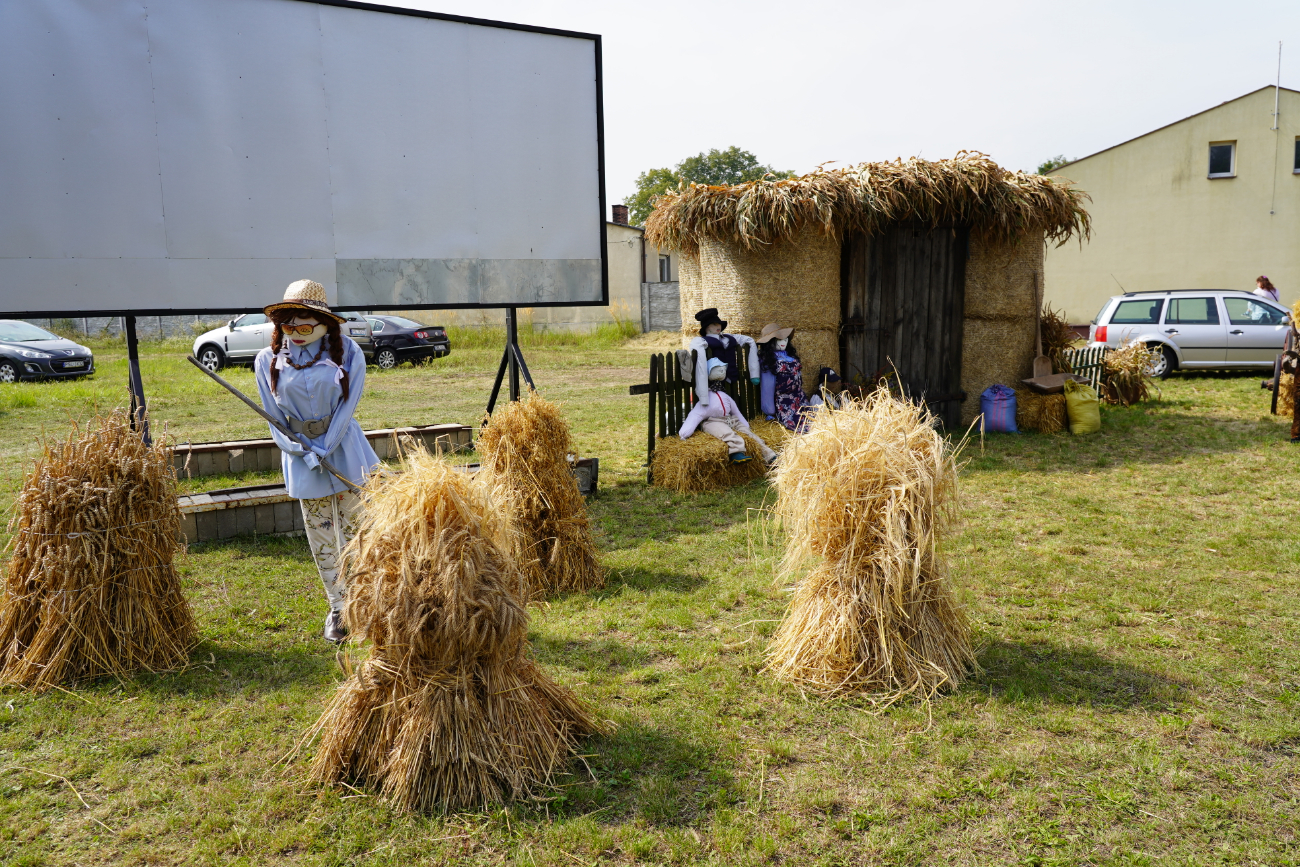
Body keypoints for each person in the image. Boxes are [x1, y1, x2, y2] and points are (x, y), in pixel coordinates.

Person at [254, 280, 380, 643]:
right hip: (301, 458)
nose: (295, 333)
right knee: (322, 536)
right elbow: (273, 419)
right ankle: (339, 610)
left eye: (305, 326)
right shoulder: (267, 361)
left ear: (326, 324)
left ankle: (367, 604)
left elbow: (347, 406)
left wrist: (326, 447)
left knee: (359, 532)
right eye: (287, 326)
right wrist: (302, 451)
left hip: (344, 451)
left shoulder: (349, 353)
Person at [680, 358, 777, 465]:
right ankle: (736, 454)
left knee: (750, 434)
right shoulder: (705, 398)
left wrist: (745, 425)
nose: (722, 371)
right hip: (713, 421)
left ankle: (769, 455)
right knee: (727, 433)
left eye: (723, 369)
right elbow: (695, 414)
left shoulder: (724, 395)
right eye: (717, 369)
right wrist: (684, 433)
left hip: (730, 419)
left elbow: (736, 411)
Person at [687, 308, 759, 408]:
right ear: (707, 327)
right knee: (718, 405)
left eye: (719, 324)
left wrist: (754, 374)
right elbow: (699, 359)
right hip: (715, 382)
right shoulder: (702, 341)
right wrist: (703, 394)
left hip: (733, 378)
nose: (718, 326)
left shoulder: (728, 338)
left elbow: (749, 341)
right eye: (714, 324)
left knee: (735, 402)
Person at [757, 323, 807, 432]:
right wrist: (770, 411)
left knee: (816, 422)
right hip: (784, 403)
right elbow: (767, 387)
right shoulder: (769, 362)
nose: (783, 342)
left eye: (785, 339)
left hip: (800, 400)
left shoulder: (790, 357)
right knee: (800, 427)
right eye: (778, 340)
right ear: (770, 342)